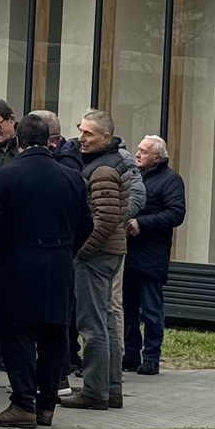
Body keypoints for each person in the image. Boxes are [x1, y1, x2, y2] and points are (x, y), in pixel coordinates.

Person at [0, 112, 92, 428]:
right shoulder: (72, 177)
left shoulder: (7, 175)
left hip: (16, 263)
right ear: (49, 141)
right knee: (53, 335)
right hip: (58, 264)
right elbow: (86, 224)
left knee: (17, 334)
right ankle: (47, 405)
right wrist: (64, 250)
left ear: (18, 140)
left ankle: (23, 403)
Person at [62, 111, 132, 410]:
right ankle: (111, 388)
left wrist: (82, 252)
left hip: (97, 255)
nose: (82, 138)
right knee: (105, 322)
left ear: (106, 137)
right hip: (110, 252)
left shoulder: (102, 170)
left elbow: (103, 221)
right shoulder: (110, 163)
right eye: (81, 131)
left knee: (92, 326)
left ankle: (95, 391)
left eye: (89, 134)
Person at [124, 135, 184, 375]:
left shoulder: (171, 180)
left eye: (143, 151)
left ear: (157, 157)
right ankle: (130, 355)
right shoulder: (132, 176)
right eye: (137, 149)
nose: (137, 154)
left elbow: (176, 213)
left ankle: (151, 357)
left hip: (151, 255)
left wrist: (142, 223)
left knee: (151, 310)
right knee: (127, 309)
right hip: (128, 253)